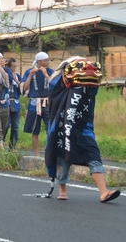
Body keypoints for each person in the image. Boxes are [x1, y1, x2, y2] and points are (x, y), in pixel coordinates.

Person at [45, 57, 121, 202]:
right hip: (63, 127)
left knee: (93, 155)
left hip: (83, 128)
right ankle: (62, 190)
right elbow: (54, 93)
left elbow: (94, 86)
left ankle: (104, 192)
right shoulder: (57, 85)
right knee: (62, 159)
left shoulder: (89, 86)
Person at [22, 52, 54, 157]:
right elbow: (24, 88)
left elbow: (55, 86)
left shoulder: (51, 72)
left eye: (48, 60)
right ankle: (36, 154)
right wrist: (30, 75)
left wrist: (46, 74)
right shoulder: (29, 71)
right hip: (34, 103)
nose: (47, 62)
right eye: (45, 60)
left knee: (51, 127)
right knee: (35, 130)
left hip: (47, 103)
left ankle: (48, 151)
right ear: (39, 62)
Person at [5, 58, 22, 150]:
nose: (14, 68)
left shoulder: (18, 76)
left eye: (15, 66)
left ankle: (12, 146)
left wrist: (17, 81)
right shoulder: (4, 75)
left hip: (15, 102)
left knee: (15, 126)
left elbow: (23, 90)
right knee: (6, 125)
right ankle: (0, 143)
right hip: (6, 102)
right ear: (8, 67)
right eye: (13, 66)